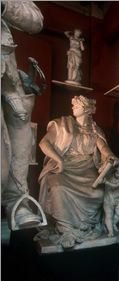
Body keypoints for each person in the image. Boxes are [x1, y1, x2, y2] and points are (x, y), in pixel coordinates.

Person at [37, 95, 118, 249]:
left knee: (99, 192)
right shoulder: (63, 124)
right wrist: (59, 160)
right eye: (73, 104)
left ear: (86, 109)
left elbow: (104, 149)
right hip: (64, 167)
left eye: (77, 104)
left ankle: (84, 227)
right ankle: (66, 230)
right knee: (58, 188)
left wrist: (110, 156)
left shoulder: (95, 130)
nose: (73, 106)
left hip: (87, 170)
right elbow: (44, 143)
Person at [1, 1, 45, 227]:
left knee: (19, 120)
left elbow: (35, 20)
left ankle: (16, 200)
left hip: (4, 67)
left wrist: (5, 5)